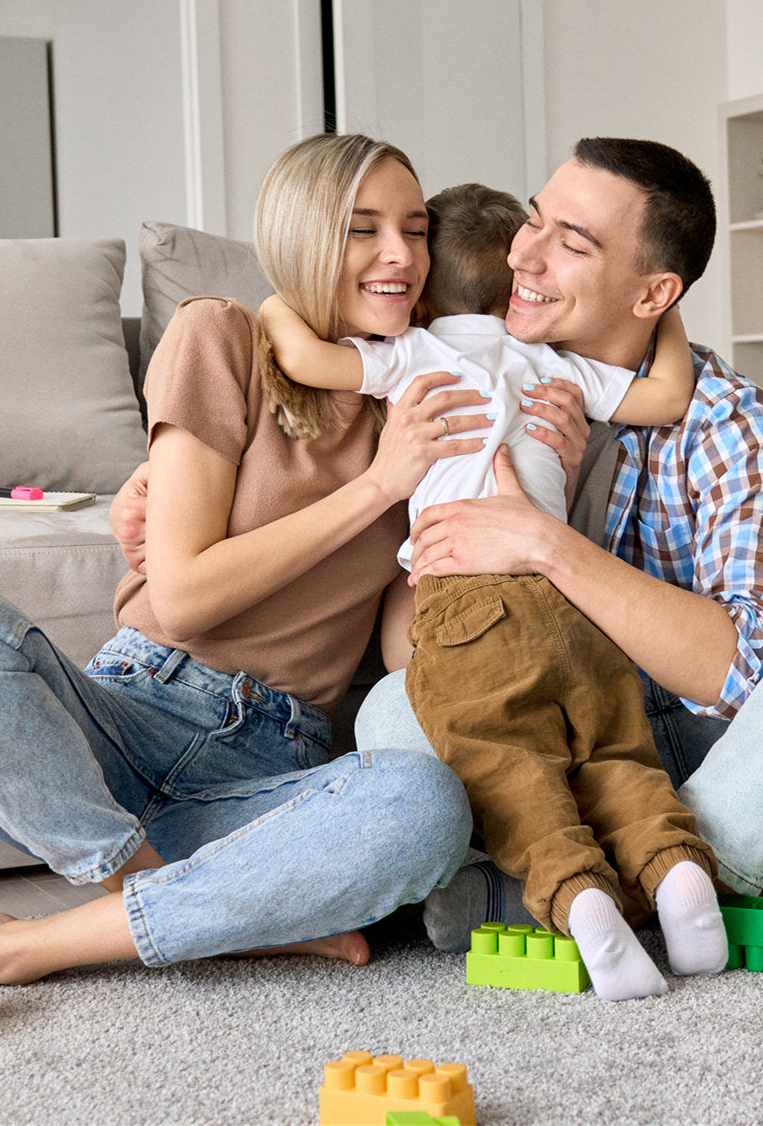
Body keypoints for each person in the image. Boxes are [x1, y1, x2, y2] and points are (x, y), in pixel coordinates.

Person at [0, 133, 486, 1000]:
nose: (400, 255)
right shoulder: (223, 336)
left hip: (268, 766)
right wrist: (375, 486)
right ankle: (178, 905)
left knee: (421, 805)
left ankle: (40, 944)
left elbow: (399, 652)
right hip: (126, 717)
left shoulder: (426, 402)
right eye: (363, 229)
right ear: (303, 238)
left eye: (416, 229)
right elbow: (184, 593)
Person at [352, 137, 763, 950]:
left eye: (571, 243)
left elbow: (745, 672)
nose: (523, 255)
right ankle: (743, 880)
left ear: (654, 293)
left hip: (745, 762)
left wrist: (548, 542)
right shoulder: (469, 387)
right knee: (389, 713)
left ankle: (647, 868)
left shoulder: (727, 420)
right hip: (555, 756)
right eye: (533, 221)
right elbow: (416, 648)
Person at [258, 182, 728, 1001]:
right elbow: (667, 394)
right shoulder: (555, 367)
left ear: (425, 288)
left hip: (466, 598)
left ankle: (576, 893)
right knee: (611, 750)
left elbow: (305, 359)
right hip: (570, 592)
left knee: (505, 763)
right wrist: (668, 311)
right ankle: (675, 870)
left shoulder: (414, 356)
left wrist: (267, 308)